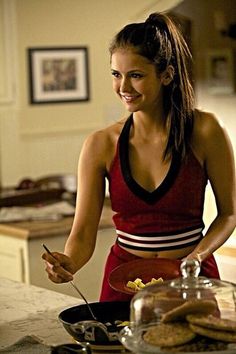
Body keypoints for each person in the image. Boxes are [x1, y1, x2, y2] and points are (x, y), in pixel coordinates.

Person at [42, 12, 236, 302]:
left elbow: (229, 214)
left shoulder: (206, 131)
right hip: (124, 280)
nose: (123, 88)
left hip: (191, 275)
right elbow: (82, 234)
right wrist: (68, 262)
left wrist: (197, 257)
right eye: (116, 75)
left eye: (136, 75)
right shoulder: (100, 144)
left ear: (167, 75)